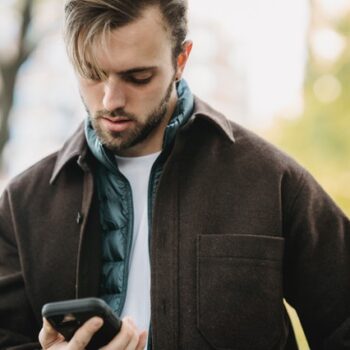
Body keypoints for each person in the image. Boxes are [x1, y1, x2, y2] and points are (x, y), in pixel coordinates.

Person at [0, 0, 349, 349]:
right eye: (92, 73)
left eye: (138, 78)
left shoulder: (271, 180)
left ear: (181, 60)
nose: (110, 100)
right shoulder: (22, 204)